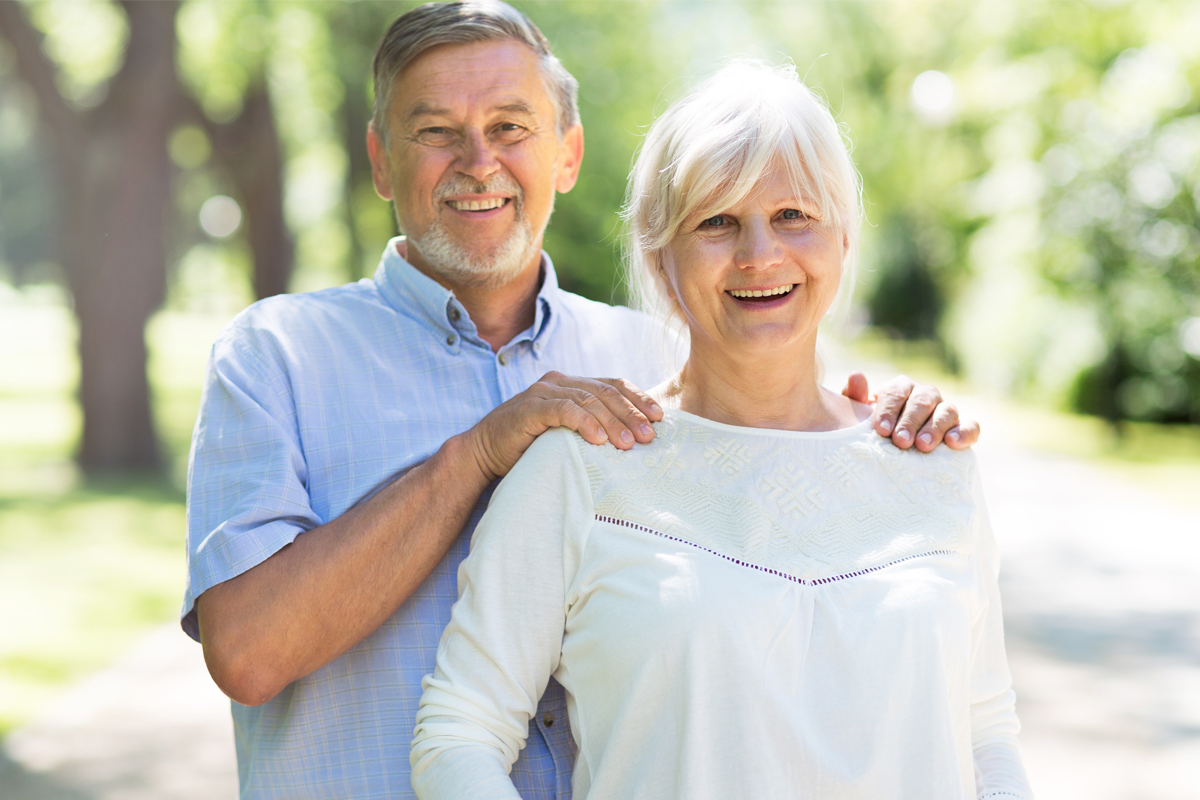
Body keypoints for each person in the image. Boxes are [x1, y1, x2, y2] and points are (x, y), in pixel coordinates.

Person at [183, 3, 977, 798]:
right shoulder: (278, 355)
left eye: (511, 127)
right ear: (381, 160)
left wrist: (879, 445)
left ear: (567, 152)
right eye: (435, 132)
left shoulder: (654, 355)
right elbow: (249, 654)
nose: (479, 162)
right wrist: (478, 454)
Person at [410, 60, 1031, 799]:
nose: (760, 255)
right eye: (717, 222)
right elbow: (459, 733)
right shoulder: (581, 470)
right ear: (660, 255)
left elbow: (986, 733)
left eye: (794, 215)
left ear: (841, 239)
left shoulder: (932, 462)